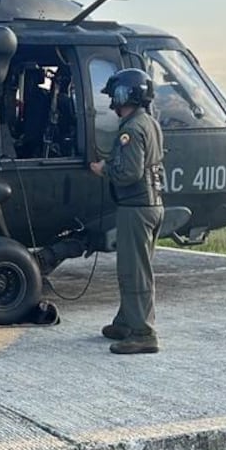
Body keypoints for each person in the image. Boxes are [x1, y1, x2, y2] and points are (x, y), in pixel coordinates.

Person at [89, 67, 166, 355]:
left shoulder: (131, 130)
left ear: (125, 94)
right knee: (135, 268)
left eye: (116, 96)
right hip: (152, 204)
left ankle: (143, 333)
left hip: (136, 206)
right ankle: (125, 321)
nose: (113, 103)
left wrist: (103, 168)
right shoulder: (150, 123)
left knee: (134, 272)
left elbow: (130, 172)